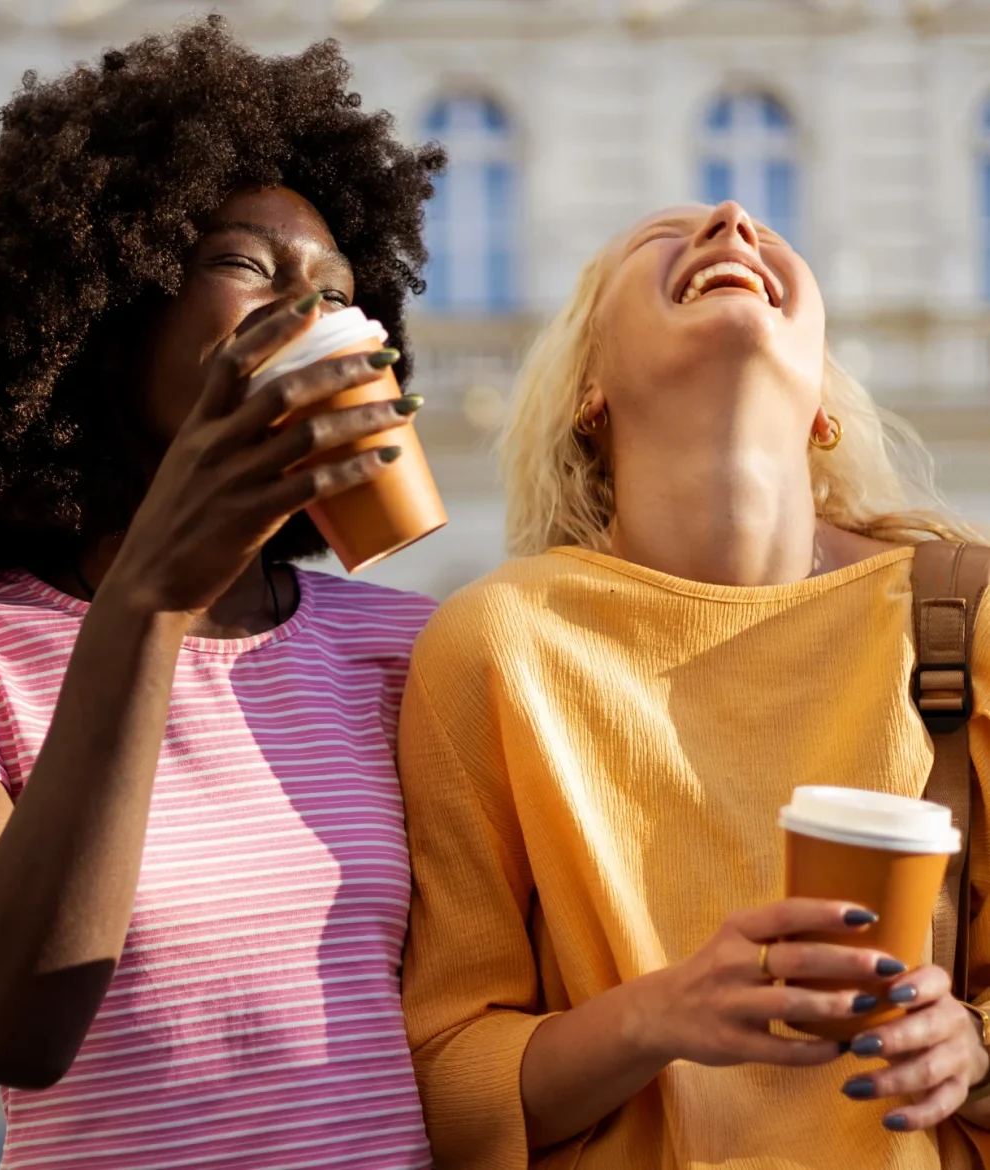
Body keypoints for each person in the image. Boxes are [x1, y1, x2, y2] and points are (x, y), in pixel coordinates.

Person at [0, 19, 443, 1170]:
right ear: (105, 310)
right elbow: (9, 1024)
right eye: (250, 267)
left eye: (341, 293)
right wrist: (150, 599)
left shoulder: (412, 648)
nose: (311, 317)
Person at [397, 200, 990, 1169]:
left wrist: (973, 1049)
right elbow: (447, 1085)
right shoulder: (497, 643)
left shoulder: (968, 616)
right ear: (590, 387)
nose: (734, 220)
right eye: (658, 240)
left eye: (772, 239)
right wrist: (656, 1018)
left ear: (822, 403)